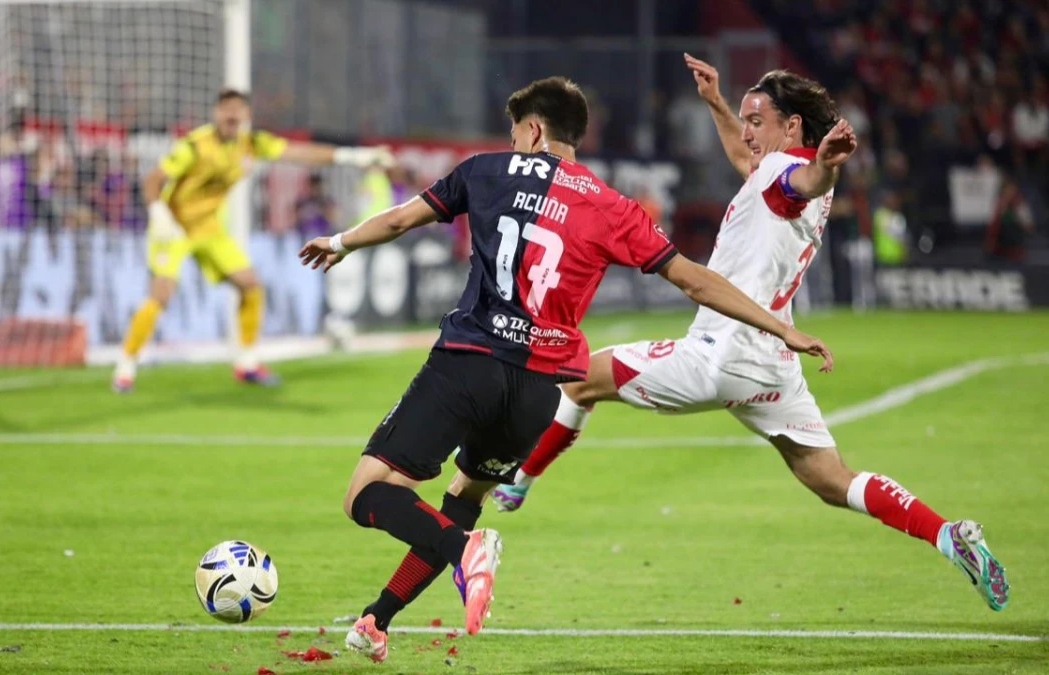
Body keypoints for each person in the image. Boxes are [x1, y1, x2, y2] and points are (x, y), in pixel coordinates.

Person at [298, 76, 833, 663]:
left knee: (366, 494)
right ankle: (377, 620)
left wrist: (341, 242)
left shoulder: (485, 170)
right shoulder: (612, 206)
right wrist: (779, 326)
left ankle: (463, 551)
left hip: (468, 363)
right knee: (463, 496)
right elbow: (695, 280)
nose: (513, 142)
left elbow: (401, 220)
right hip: (536, 393)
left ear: (533, 130)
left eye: (515, 133)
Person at [490, 56, 1010, 615]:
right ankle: (948, 535)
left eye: (756, 121)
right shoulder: (775, 172)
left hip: (719, 354)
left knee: (578, 380)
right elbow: (753, 162)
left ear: (793, 126)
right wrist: (717, 103)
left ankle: (519, 481)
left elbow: (803, 178)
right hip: (771, 367)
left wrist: (826, 167)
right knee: (832, 480)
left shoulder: (793, 174)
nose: (747, 133)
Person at [112, 88, 394, 392]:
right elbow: (153, 179)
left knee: (250, 285)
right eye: (226, 109)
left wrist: (353, 156)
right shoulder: (195, 145)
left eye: (238, 109)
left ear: (246, 116)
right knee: (161, 296)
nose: (232, 115)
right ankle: (126, 365)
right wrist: (158, 214)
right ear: (216, 114)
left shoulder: (252, 144)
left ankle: (246, 363)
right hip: (173, 227)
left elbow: (301, 153)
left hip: (208, 228)